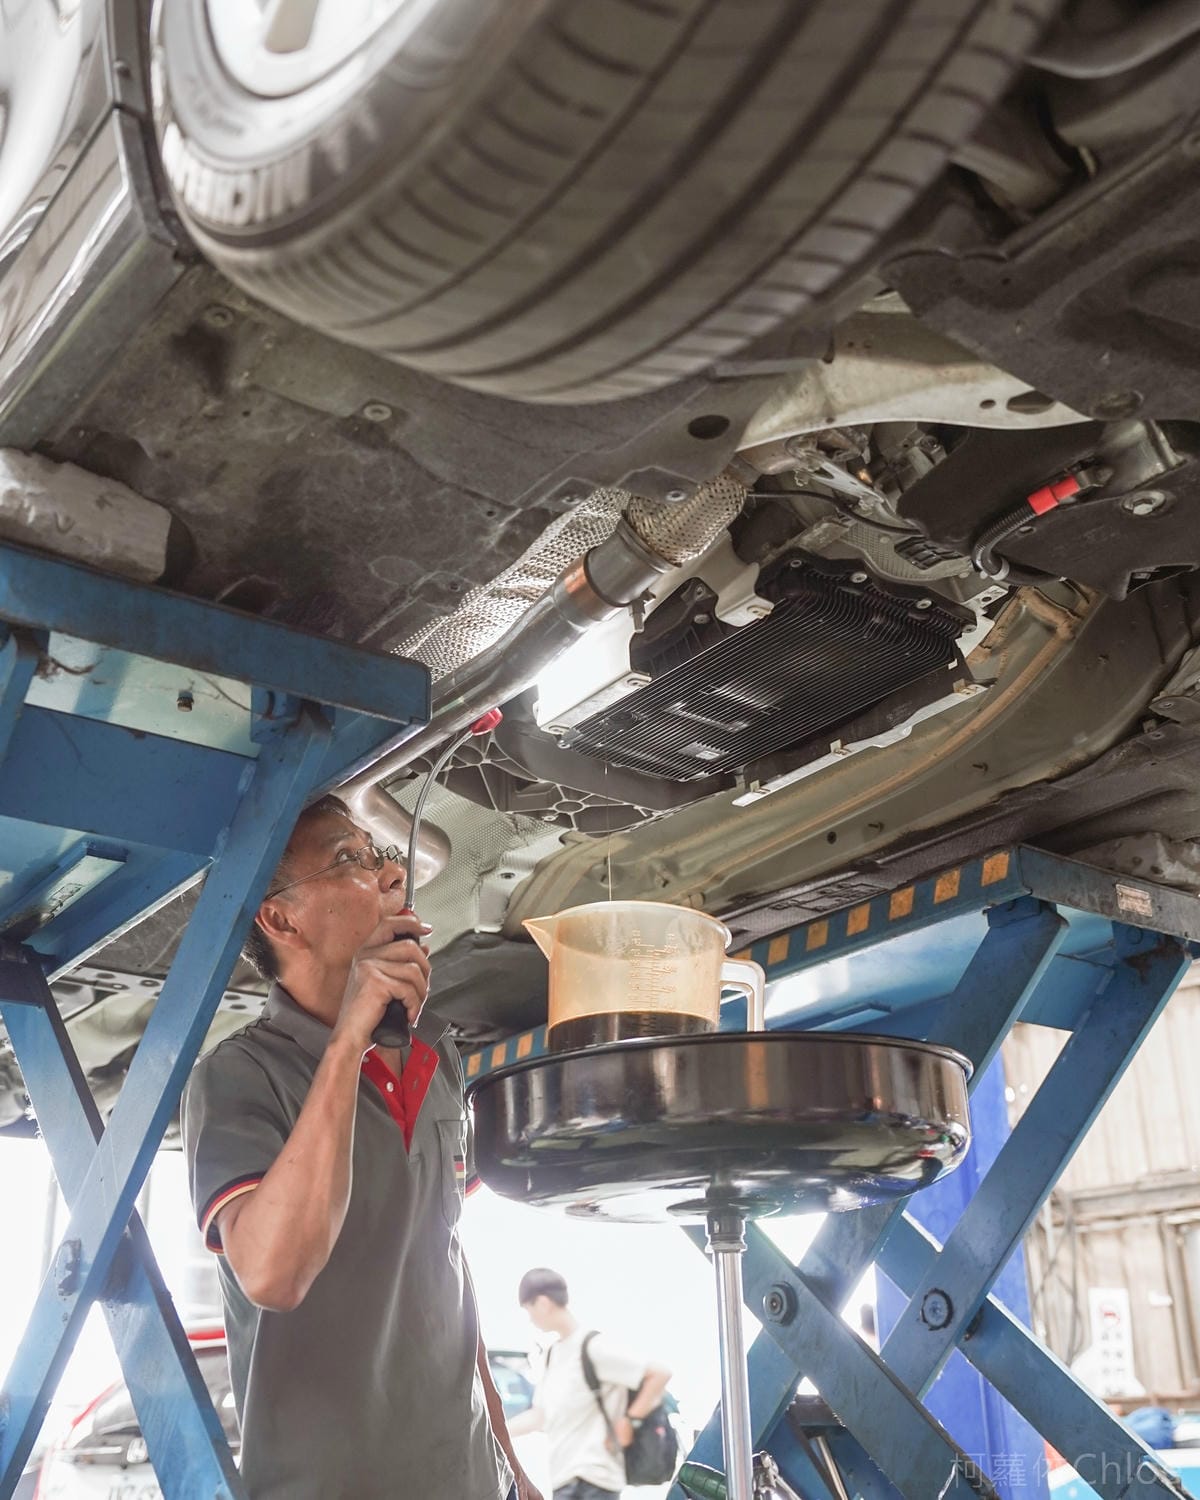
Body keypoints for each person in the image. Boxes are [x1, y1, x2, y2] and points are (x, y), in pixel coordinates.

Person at [182, 793, 540, 1500]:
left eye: (380, 855)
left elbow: (441, 1268)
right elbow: (273, 1276)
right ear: (279, 917)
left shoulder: (439, 1053)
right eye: (349, 858)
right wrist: (348, 1039)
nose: (388, 876)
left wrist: (510, 1468)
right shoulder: (239, 1077)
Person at [510, 1267, 672, 1500]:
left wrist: (630, 1420)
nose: (531, 1319)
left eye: (529, 1310)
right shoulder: (552, 1355)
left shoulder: (594, 1347)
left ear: (543, 1303)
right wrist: (496, 1430)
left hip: (594, 1480)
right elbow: (540, 1416)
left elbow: (660, 1373)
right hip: (565, 1480)